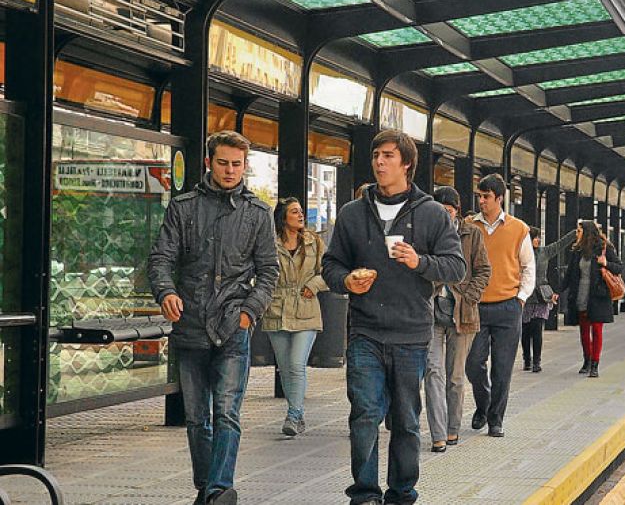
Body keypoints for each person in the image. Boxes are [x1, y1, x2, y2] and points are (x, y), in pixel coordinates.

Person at [322, 130, 466, 505]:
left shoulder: (432, 213)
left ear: (406, 164)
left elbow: (456, 267)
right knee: (365, 414)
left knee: (405, 420)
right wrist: (347, 281)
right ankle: (365, 493)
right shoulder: (353, 213)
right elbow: (331, 265)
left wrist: (421, 262)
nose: (380, 163)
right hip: (365, 332)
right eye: (376, 156)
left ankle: (402, 493)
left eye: (388, 156)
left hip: (411, 334)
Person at [147, 131, 279, 505]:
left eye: (237, 164)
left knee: (227, 413)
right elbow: (160, 259)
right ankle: (207, 490)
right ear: (208, 162)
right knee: (196, 418)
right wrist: (166, 292)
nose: (230, 170)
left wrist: (249, 312)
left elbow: (269, 271)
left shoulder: (258, 214)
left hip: (233, 325)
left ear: (245, 165)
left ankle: (219, 488)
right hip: (189, 326)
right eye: (223, 163)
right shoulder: (182, 207)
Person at [466, 173, 535, 438]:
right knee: (473, 363)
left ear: (499, 198)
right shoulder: (470, 226)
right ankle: (483, 406)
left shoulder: (519, 229)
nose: (481, 201)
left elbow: (528, 267)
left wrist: (521, 298)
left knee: (503, 367)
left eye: (486, 197)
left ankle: (496, 419)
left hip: (508, 307)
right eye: (479, 196)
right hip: (476, 307)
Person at [424, 186, 491, 453]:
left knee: (454, 376)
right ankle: (437, 435)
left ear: (456, 210)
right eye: (438, 207)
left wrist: (469, 296)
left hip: (461, 313)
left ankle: (453, 429)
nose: (443, 211)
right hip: (430, 312)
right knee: (432, 372)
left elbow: (484, 270)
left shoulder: (471, 234)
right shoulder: (426, 233)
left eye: (448, 208)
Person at [262, 197, 329, 437]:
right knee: (284, 366)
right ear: (283, 217)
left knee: (296, 363)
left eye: (301, 211)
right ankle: (297, 413)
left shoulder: (314, 242)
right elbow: (262, 271)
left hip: (306, 307)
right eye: (294, 212)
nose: (300, 215)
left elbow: (329, 270)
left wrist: (315, 284)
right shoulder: (269, 243)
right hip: (277, 309)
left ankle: (293, 413)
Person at [560, 220, 623, 378]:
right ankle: (586, 361)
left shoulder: (604, 248)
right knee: (583, 331)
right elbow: (569, 274)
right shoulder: (577, 250)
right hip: (581, 294)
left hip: (597, 296)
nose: (577, 233)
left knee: (596, 330)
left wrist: (606, 263)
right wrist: (558, 291)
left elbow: (619, 267)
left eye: (579, 231)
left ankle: (595, 364)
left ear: (587, 232)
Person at [522, 226, 577, 373]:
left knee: (537, 329)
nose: (538, 240)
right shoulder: (520, 253)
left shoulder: (544, 252)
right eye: (535, 237)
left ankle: (536, 362)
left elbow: (560, 244)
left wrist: (574, 233)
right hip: (525, 296)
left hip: (541, 296)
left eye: (539, 237)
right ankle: (526, 359)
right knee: (525, 330)